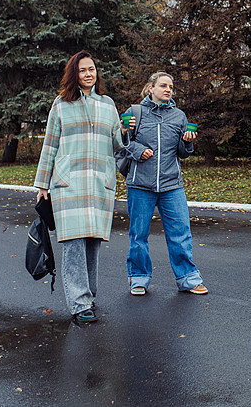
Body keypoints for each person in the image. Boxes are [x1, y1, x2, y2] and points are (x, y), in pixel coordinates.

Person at [34, 51, 131, 324]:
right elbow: (50, 144)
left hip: (99, 183)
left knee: (92, 243)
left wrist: (124, 132)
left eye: (92, 69)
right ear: (74, 75)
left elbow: (117, 146)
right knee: (74, 244)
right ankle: (79, 304)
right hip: (69, 184)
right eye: (83, 70)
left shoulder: (107, 104)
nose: (89, 74)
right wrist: (42, 183)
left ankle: (89, 295)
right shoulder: (61, 105)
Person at [119, 71, 207, 296]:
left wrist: (187, 143)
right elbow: (121, 143)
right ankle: (138, 278)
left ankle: (188, 278)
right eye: (163, 86)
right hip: (140, 184)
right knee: (138, 235)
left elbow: (182, 153)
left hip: (171, 185)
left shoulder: (179, 116)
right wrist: (138, 150)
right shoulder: (135, 113)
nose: (168, 89)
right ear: (151, 88)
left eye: (171, 86)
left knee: (181, 232)